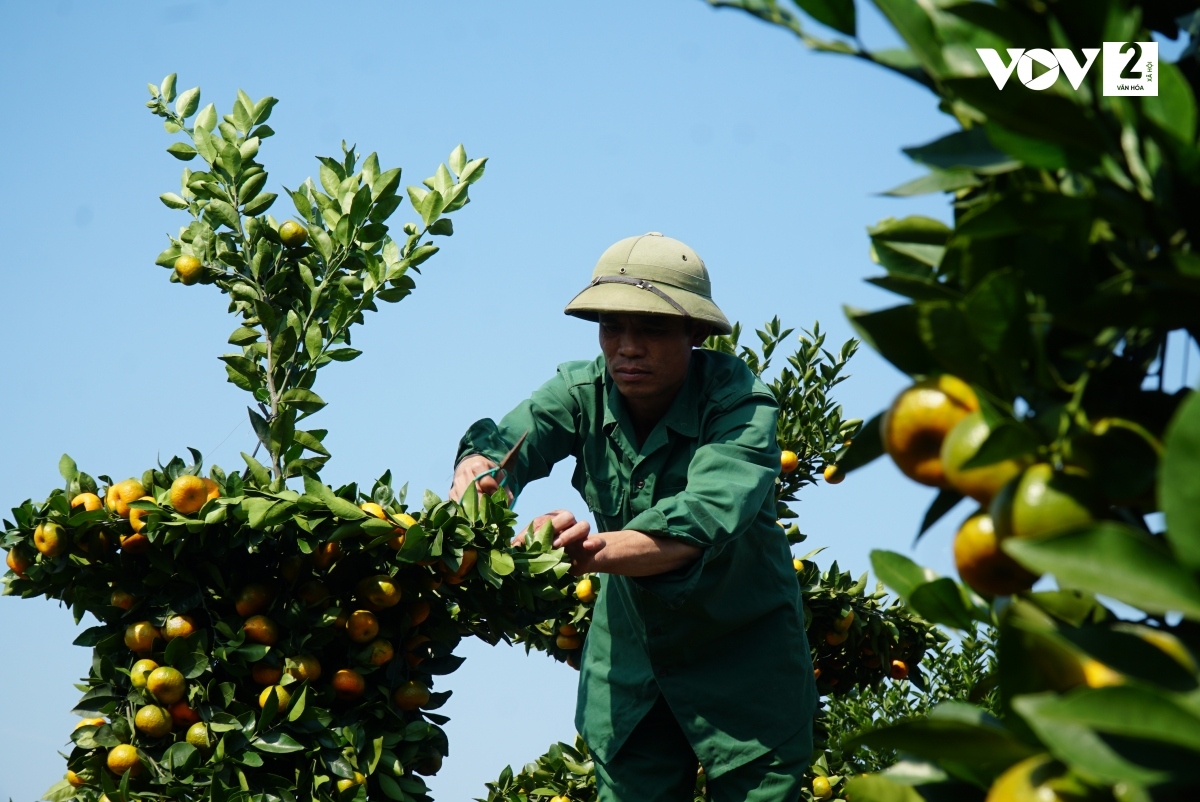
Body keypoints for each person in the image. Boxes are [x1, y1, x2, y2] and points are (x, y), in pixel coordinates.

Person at [449, 233, 815, 801]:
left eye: (651, 328)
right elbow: (511, 442)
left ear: (695, 334)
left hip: (746, 669)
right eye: (612, 327)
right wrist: (480, 474)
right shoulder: (580, 391)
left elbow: (697, 524)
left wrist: (586, 553)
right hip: (629, 673)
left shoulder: (740, 406)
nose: (627, 348)